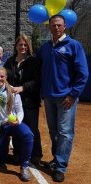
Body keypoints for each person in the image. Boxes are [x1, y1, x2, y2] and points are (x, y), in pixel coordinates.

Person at [36, 15, 89, 182]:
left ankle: (60, 167)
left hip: (66, 98)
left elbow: (83, 73)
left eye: (59, 25)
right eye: (53, 25)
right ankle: (57, 158)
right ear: (49, 27)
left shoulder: (74, 45)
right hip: (49, 98)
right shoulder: (44, 47)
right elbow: (38, 70)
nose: (56, 28)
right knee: (54, 131)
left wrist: (73, 94)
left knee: (65, 133)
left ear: (64, 26)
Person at [0, 67, 34, 181]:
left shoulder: (13, 91)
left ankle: (24, 166)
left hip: (12, 123)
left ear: (6, 77)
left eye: (2, 76)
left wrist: (18, 120)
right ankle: (2, 149)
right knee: (0, 160)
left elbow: (19, 110)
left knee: (28, 135)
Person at [4, 34, 42, 165]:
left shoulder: (34, 61)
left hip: (30, 101)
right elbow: (4, 78)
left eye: (25, 45)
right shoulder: (9, 61)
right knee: (16, 126)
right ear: (16, 46)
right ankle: (18, 153)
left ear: (29, 46)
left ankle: (36, 154)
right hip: (13, 102)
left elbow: (37, 81)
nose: (23, 47)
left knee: (32, 129)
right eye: (20, 44)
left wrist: (23, 88)